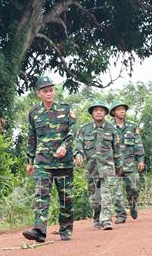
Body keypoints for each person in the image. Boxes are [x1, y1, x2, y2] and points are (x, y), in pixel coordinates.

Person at [22, 76, 77, 242]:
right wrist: (30, 161)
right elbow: (32, 137)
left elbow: (73, 132)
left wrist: (64, 146)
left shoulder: (66, 109)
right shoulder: (34, 113)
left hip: (64, 162)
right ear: (39, 93)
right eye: (45, 91)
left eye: (51, 90)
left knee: (66, 198)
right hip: (42, 162)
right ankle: (39, 230)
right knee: (41, 196)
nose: (49, 93)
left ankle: (66, 229)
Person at [74, 100, 122, 230]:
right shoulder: (84, 129)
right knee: (94, 199)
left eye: (101, 110)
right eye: (96, 110)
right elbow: (78, 146)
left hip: (108, 168)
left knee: (107, 195)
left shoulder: (112, 130)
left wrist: (119, 167)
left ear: (105, 113)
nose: (99, 112)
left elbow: (117, 150)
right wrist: (78, 155)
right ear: (92, 113)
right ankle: (96, 218)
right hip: (91, 170)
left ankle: (106, 220)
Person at [110, 100, 146, 223]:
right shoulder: (109, 127)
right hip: (114, 165)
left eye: (123, 109)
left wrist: (141, 160)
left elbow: (138, 144)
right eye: (119, 109)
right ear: (114, 112)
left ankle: (133, 204)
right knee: (115, 191)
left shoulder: (132, 126)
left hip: (130, 164)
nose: (122, 111)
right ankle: (120, 215)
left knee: (134, 188)